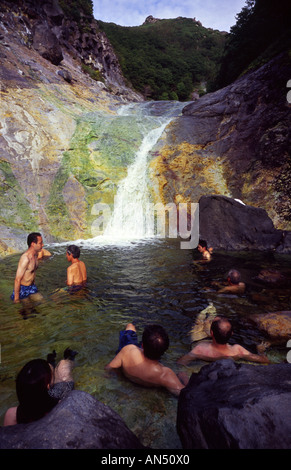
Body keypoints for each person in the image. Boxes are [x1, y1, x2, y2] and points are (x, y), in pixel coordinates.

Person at [105, 323, 189, 396]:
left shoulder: (128, 350)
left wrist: (118, 375)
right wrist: (184, 377)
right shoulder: (164, 374)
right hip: (150, 358)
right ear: (165, 350)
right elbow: (185, 394)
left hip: (133, 356)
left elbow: (109, 368)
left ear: (142, 345)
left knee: (130, 326)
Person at [3, 348, 77, 426]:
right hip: (57, 394)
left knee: (54, 372)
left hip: (44, 394)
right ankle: (67, 358)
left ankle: (51, 362)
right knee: (63, 367)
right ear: (48, 386)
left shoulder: (11, 414)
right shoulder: (62, 405)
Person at [177, 317, 270, 365]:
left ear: (212, 333)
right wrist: (260, 351)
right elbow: (265, 360)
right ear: (232, 334)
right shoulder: (237, 350)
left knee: (198, 326)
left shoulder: (200, 349)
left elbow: (180, 363)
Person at [11, 232, 44, 303]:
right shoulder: (25, 258)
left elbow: (32, 273)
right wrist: (16, 299)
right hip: (23, 289)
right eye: (40, 243)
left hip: (32, 287)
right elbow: (17, 279)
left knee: (43, 303)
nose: (42, 245)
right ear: (33, 244)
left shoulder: (35, 255)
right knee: (28, 309)